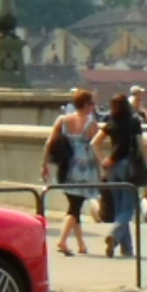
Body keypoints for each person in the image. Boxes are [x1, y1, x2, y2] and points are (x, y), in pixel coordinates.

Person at [40, 89, 101, 256]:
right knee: (75, 207)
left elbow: (49, 143)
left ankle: (81, 245)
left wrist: (44, 164)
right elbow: (96, 148)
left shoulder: (63, 120)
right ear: (87, 105)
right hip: (84, 167)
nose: (93, 107)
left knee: (74, 205)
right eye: (91, 104)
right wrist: (101, 169)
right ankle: (62, 240)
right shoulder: (91, 124)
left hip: (67, 166)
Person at [92, 92, 144, 258]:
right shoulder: (134, 122)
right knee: (128, 208)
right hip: (128, 167)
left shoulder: (111, 122)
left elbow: (94, 143)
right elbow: (141, 146)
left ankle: (126, 248)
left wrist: (103, 160)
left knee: (119, 207)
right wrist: (146, 164)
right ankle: (113, 234)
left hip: (113, 167)